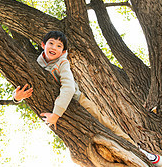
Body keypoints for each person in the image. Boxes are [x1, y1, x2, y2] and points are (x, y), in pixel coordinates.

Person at [13, 30, 162, 166]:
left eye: (58, 46)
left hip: (79, 102)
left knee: (107, 124)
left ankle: (141, 152)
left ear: (63, 51)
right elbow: (25, 86)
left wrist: (56, 114)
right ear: (43, 45)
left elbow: (69, 88)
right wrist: (16, 98)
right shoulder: (35, 64)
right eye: (51, 43)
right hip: (54, 110)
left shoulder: (63, 63)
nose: (53, 47)